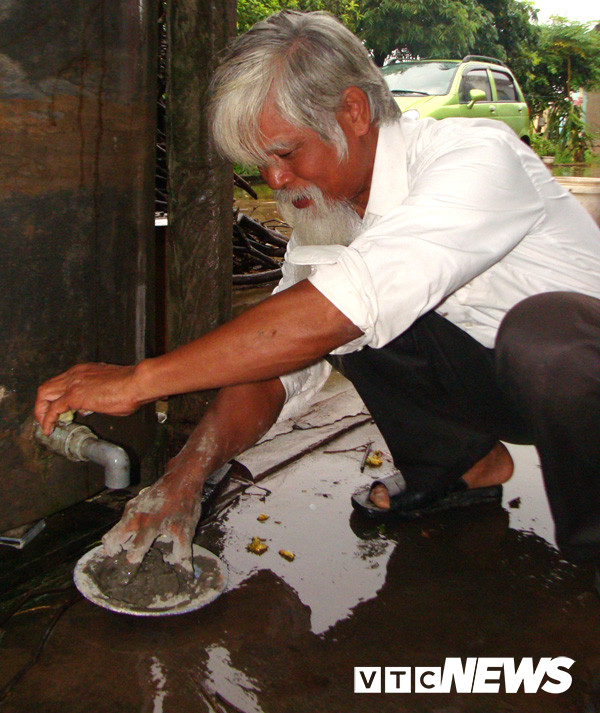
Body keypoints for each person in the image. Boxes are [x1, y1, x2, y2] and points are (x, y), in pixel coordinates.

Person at [35, 10, 600, 586]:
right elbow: (278, 363)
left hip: (579, 386)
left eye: (285, 153)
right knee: (320, 311)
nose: (273, 179)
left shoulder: (475, 155)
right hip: (500, 384)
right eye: (261, 162)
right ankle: (463, 467)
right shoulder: (326, 221)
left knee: (543, 333)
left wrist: (139, 381)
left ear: (353, 112)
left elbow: (338, 307)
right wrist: (187, 472)